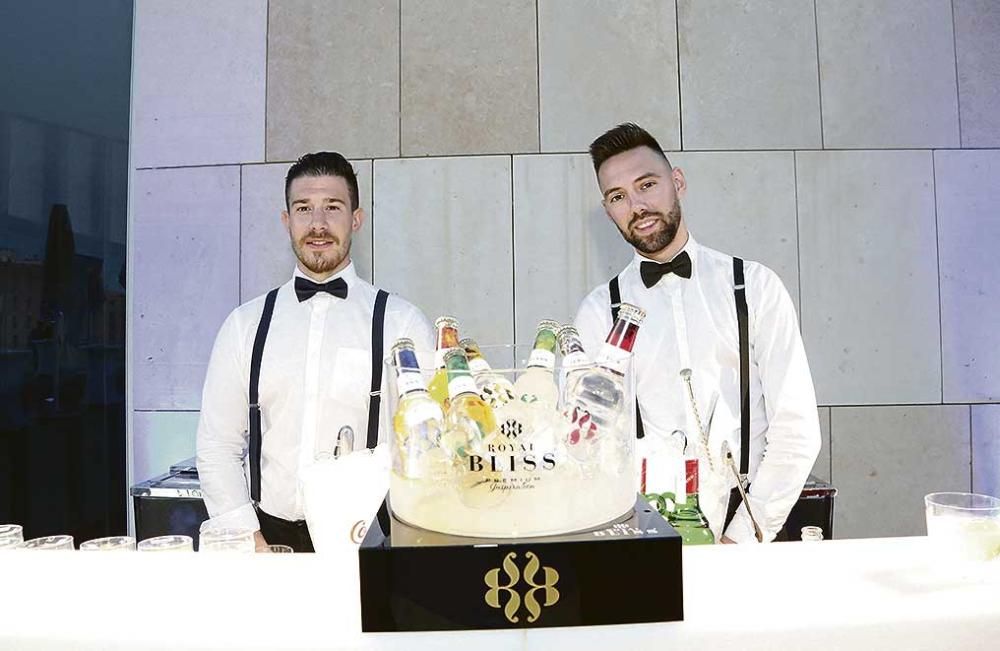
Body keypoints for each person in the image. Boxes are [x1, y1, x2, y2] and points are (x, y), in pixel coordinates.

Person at [573, 123, 820, 543]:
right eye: (618, 197)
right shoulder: (599, 310)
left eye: (646, 184)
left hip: (749, 533)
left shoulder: (755, 286)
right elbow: (585, 445)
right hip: (640, 541)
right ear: (608, 210)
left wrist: (742, 537)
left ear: (678, 182)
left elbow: (796, 429)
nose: (637, 205)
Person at [196, 152, 433, 552]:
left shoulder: (401, 323)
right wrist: (249, 538)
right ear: (286, 220)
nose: (318, 224)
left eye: (333, 208)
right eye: (304, 209)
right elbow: (217, 445)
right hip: (267, 542)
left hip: (370, 547)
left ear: (356, 219)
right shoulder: (244, 326)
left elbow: (428, 446)